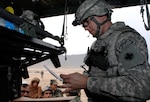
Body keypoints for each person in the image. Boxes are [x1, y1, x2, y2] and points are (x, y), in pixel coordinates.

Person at [59, 0, 150, 102]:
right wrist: (78, 81)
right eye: (82, 25)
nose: (85, 28)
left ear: (101, 15)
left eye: (86, 22)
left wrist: (88, 83)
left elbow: (142, 87)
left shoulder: (126, 40)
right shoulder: (98, 44)